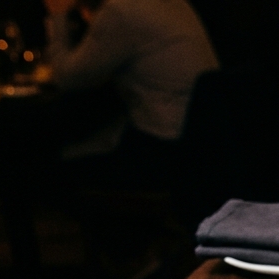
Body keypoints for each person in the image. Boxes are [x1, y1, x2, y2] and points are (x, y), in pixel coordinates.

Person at [44, 0, 219, 187]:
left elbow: (67, 78)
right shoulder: (175, 3)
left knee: (53, 162)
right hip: (206, 141)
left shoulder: (121, 10)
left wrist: (58, 14)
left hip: (163, 150)